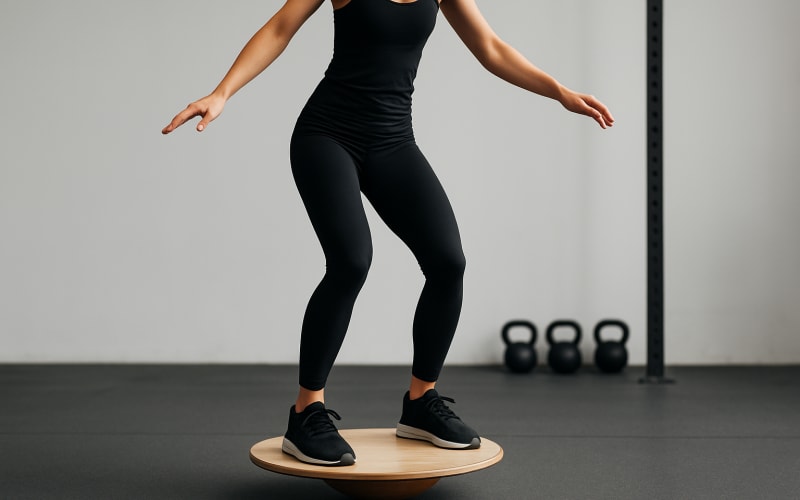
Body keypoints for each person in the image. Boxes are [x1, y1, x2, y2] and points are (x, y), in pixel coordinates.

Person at [163, 0, 614, 467]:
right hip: (326, 135)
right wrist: (222, 92)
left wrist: (559, 92)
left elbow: (491, 48)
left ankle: (420, 403)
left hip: (392, 140)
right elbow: (279, 29)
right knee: (351, 261)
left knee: (447, 263)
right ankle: (305, 413)